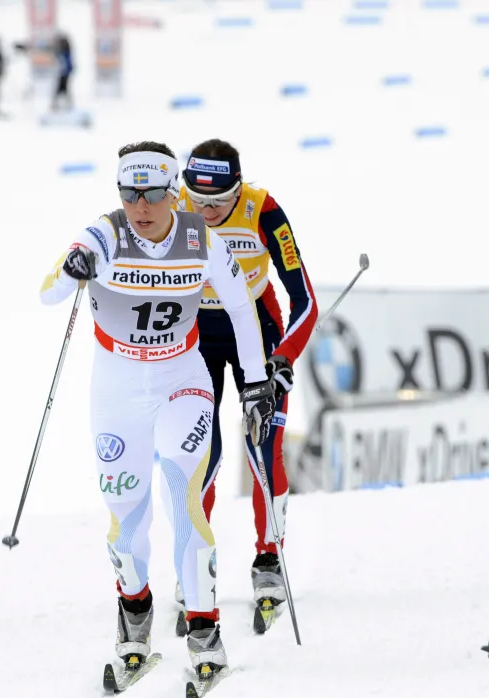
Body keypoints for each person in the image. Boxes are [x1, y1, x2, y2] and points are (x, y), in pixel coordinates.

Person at [39, 141, 276, 681]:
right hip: (117, 391)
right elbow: (48, 293)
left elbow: (242, 309)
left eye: (150, 193)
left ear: (174, 193)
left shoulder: (200, 238)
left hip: (182, 382)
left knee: (183, 495)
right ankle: (135, 612)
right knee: (127, 518)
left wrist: (257, 381)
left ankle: (204, 627)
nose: (139, 206)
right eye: (128, 192)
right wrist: (72, 266)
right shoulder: (104, 232)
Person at [172, 138, 317, 632]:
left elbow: (305, 301)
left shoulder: (263, 210)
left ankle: (269, 559)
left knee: (264, 446)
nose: (207, 211)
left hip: (257, 328)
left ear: (239, 189)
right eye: (199, 199)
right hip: (196, 334)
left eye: (219, 201)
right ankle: (193, 557)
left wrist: (283, 358)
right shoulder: (172, 206)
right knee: (198, 452)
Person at [50, 33, 72, 112]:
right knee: (61, 90)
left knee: (62, 89)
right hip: (62, 73)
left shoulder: (65, 53)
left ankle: (66, 106)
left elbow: (67, 64)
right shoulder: (62, 52)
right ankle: (61, 105)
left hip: (64, 74)